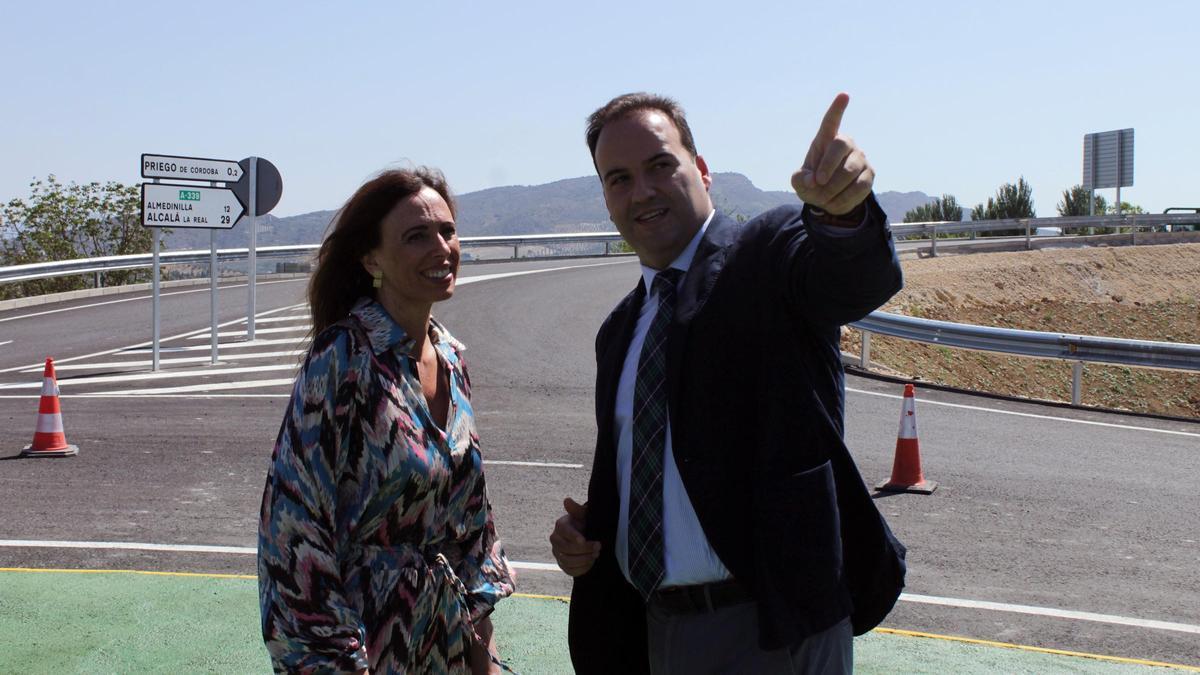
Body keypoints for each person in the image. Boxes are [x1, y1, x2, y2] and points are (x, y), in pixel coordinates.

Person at [549, 92, 907, 674]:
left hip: (775, 628)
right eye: (619, 179)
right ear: (607, 200)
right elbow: (656, 466)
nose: (642, 190)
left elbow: (850, 280)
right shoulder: (620, 331)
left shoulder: (763, 255)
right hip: (658, 630)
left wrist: (842, 216)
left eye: (661, 165)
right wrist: (592, 534)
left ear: (703, 170)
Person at [258, 167, 515, 674]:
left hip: (446, 643)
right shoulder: (343, 359)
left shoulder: (450, 359)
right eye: (417, 236)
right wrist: (336, 661)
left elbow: (471, 524)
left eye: (447, 231)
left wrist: (481, 644)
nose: (441, 247)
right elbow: (292, 532)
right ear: (372, 258)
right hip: (363, 647)